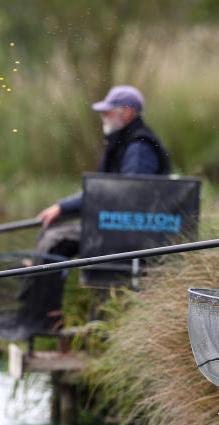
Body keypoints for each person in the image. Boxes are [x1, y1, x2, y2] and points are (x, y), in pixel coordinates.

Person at [19, 85, 171, 332]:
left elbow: (127, 194)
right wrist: (62, 208)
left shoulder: (139, 147)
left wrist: (65, 208)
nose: (102, 117)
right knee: (48, 235)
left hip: (129, 232)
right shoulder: (121, 142)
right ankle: (39, 310)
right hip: (112, 225)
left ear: (127, 114)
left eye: (107, 112)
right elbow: (102, 190)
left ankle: (44, 320)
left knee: (54, 240)